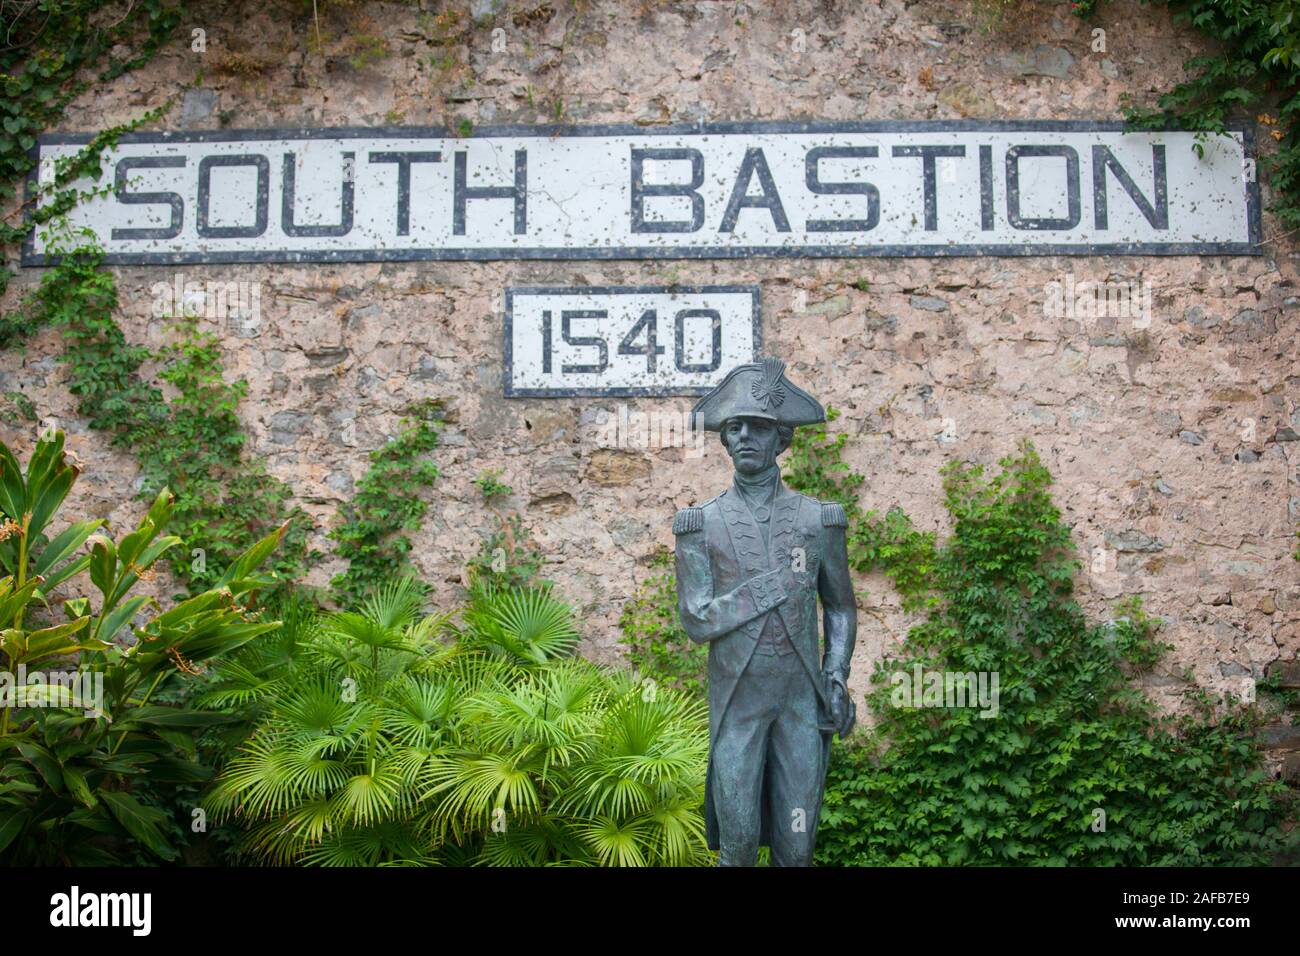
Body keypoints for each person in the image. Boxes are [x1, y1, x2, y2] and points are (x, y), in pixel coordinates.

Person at [673, 356, 857, 867]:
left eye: (759, 427)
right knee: (737, 845)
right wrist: (768, 589)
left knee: (797, 849)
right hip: (738, 707)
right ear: (724, 439)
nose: (746, 437)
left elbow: (840, 607)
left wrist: (836, 677)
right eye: (735, 427)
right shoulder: (700, 524)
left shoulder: (819, 520)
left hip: (801, 703)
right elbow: (697, 619)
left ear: (783, 439)